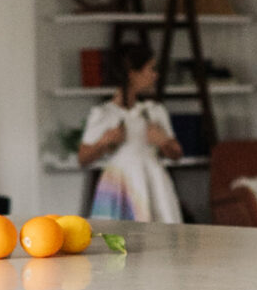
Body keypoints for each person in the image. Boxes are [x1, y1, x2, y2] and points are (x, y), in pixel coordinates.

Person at [78, 43, 183, 222]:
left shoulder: (154, 111)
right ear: (132, 74)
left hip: (152, 178)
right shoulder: (105, 114)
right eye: (150, 69)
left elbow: (176, 153)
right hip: (119, 182)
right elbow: (83, 158)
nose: (155, 75)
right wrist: (104, 142)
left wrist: (162, 141)